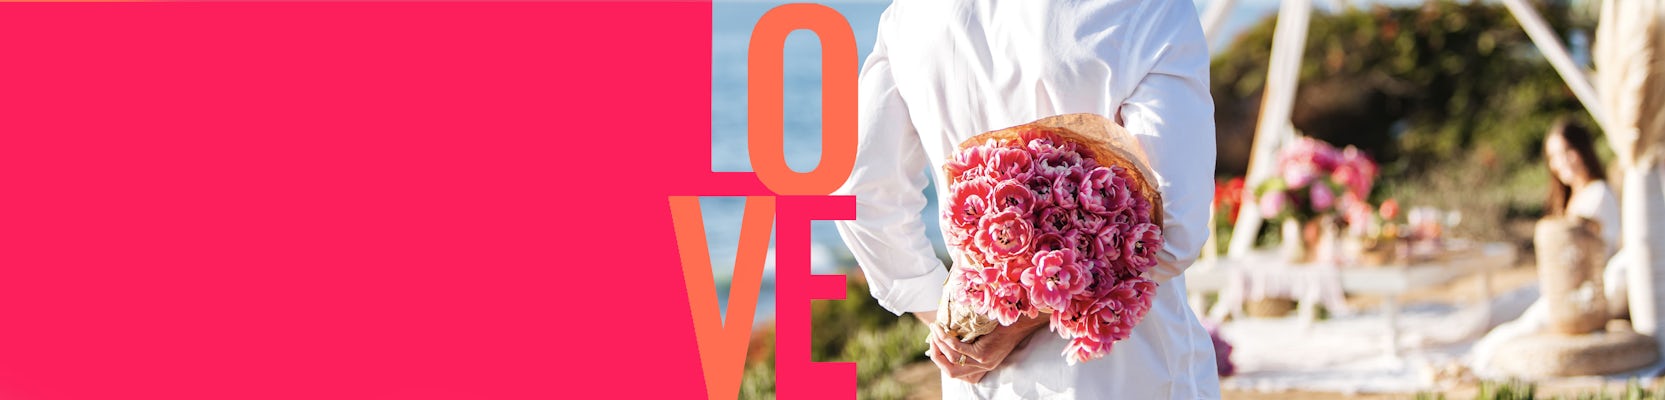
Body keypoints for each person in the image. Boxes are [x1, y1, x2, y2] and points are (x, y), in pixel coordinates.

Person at [830, 1, 1219, 398]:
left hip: (985, 383)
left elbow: (859, 195)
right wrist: (1010, 324)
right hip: (1130, 369)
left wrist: (958, 326)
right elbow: (1175, 225)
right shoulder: (1148, 8)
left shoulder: (911, 15)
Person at [1468, 118, 1625, 374]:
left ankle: (1476, 362)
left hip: (1579, 289)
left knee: (1512, 327)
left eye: (1567, 152)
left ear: (1583, 150)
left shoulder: (1599, 193)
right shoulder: (1573, 195)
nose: (1561, 162)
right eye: (1553, 156)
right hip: (1556, 283)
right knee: (1493, 309)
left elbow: (1590, 252)